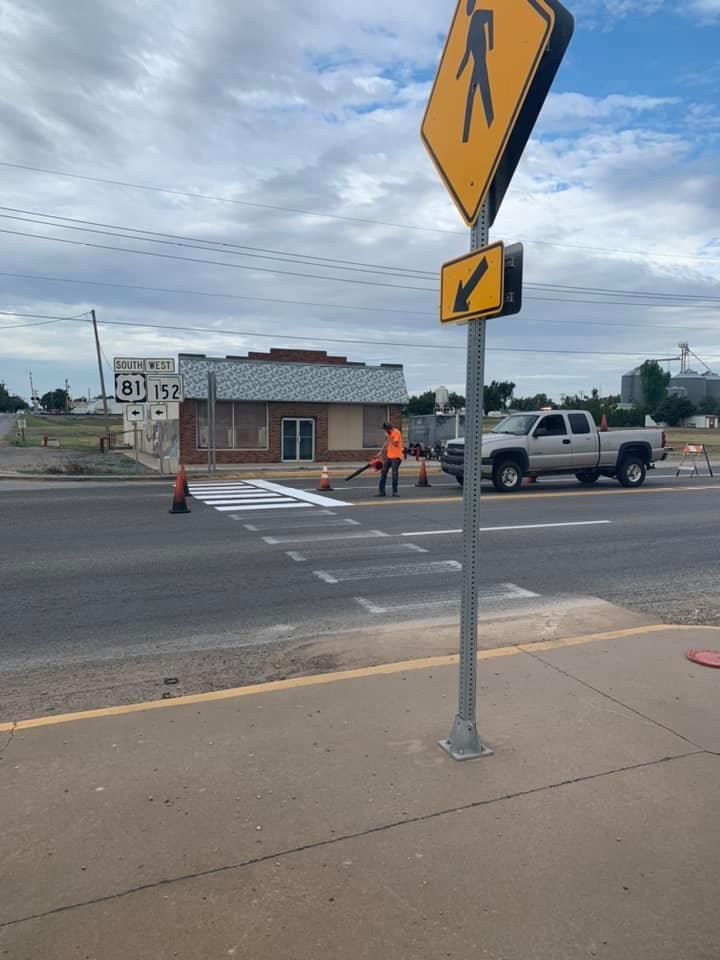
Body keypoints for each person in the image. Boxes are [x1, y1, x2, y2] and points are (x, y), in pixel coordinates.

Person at [375, 421, 403, 497]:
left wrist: (390, 436)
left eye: (385, 429)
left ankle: (395, 492)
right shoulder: (388, 433)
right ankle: (382, 492)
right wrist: (380, 452)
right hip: (389, 456)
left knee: (394, 473)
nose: (384, 431)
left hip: (396, 457)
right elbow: (386, 442)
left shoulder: (396, 432)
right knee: (383, 472)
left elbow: (396, 444)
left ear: (388, 429)